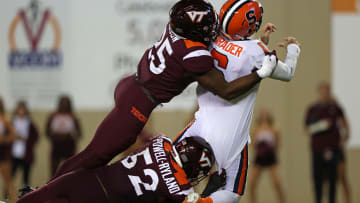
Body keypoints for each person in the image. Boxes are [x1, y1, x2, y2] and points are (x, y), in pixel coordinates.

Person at [51, 0, 277, 180]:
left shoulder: (176, 29)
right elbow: (227, 90)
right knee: (95, 155)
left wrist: (258, 43)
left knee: (96, 153)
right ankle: (40, 193)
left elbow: (216, 42)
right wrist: (260, 72)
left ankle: (47, 192)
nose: (213, 30)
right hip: (138, 104)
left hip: (130, 84)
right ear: (195, 31)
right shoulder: (194, 54)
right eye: (208, 27)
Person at [173, 0, 301, 202]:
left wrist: (261, 43)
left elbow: (236, 60)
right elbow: (286, 73)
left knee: (168, 168)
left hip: (201, 125)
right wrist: (293, 49)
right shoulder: (257, 51)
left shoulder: (211, 37)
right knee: (232, 192)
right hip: (231, 136)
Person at [17, 135, 217, 203]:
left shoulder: (162, 142)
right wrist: (212, 188)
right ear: (190, 164)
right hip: (102, 199)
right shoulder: (180, 188)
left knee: (40, 195)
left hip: (86, 177)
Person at [305, 82, 350, 203]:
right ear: (318, 92)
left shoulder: (335, 108)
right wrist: (322, 125)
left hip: (333, 148)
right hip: (317, 149)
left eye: (327, 91)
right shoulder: (313, 109)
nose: (324, 94)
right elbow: (307, 128)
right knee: (318, 179)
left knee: (333, 179)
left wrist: (344, 139)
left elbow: (346, 124)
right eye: (322, 91)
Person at [249, 109, 285, 203]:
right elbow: (253, 143)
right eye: (262, 115)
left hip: (270, 157)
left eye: (266, 115)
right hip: (259, 157)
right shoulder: (256, 129)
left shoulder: (274, 128)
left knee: (276, 182)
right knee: (252, 183)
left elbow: (277, 143)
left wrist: (270, 150)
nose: (264, 117)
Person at [46, 95, 82, 176]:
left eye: (66, 103)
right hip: (56, 146)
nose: (64, 105)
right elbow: (47, 132)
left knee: (69, 171)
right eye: (62, 103)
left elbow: (79, 133)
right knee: (54, 172)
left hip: (69, 146)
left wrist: (70, 136)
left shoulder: (73, 117)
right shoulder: (53, 116)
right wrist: (55, 136)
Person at [11, 101, 39, 187]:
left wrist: (26, 140)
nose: (21, 111)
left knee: (26, 179)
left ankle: (25, 198)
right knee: (11, 177)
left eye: (23, 109)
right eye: (20, 109)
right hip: (14, 153)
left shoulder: (29, 122)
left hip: (26, 154)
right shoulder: (12, 121)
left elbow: (36, 136)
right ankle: (7, 197)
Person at [0, 97, 17, 202]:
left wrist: (4, 139)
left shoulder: (5, 119)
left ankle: (14, 200)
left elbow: (14, 135)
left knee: (8, 181)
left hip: (2, 154)